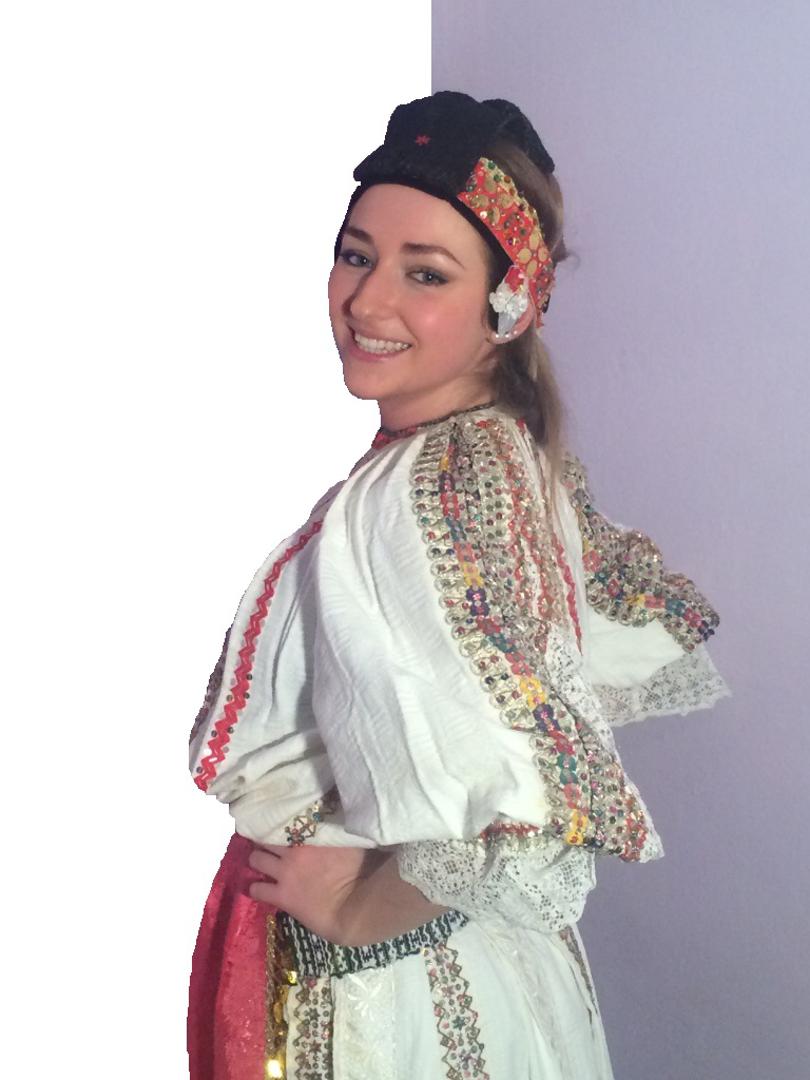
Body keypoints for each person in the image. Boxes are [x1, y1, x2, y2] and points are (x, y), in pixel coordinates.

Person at [186, 90, 729, 1079]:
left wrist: (360, 905)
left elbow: (537, 817)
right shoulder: (499, 451)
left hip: (392, 997)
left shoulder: (431, 487)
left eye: (425, 273)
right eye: (357, 254)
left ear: (505, 307)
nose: (367, 302)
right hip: (478, 965)